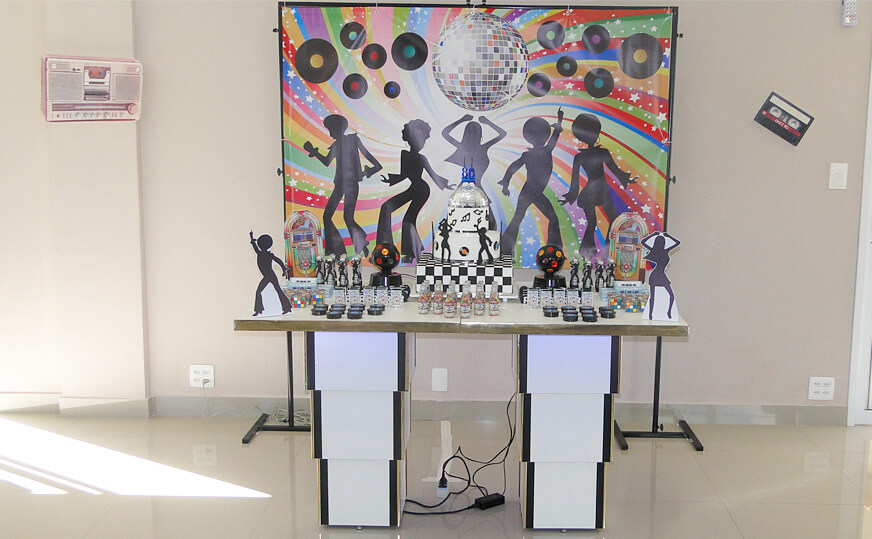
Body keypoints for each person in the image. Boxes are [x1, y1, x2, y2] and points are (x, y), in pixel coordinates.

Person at [303, 115, 381, 257]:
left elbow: (376, 164)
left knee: (344, 217)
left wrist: (365, 172)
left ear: (337, 128)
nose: (330, 133)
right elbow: (327, 161)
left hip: (348, 185)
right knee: (331, 216)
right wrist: (314, 151)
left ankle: (352, 246)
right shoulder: (340, 144)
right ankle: (338, 249)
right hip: (342, 185)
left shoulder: (352, 140)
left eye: (331, 129)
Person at [561, 113, 636, 258]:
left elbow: (575, 183)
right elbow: (616, 171)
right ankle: (602, 249)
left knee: (595, 221)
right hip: (599, 191)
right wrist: (625, 179)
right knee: (607, 219)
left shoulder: (581, 156)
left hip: (594, 192)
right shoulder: (600, 153)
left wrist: (571, 195)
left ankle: (596, 250)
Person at [376, 120, 452, 262]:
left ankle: (411, 254)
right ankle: (384, 248)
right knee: (386, 207)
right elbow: (404, 175)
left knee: (408, 220)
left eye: (421, 140)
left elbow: (433, 174)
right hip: (414, 188)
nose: (420, 143)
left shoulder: (421, 158)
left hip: (422, 190)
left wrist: (445, 184)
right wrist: (390, 180)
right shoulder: (405, 154)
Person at [498, 108, 564, 256]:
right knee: (552, 218)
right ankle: (554, 251)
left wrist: (506, 182)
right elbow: (555, 135)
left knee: (518, 218)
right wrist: (559, 120)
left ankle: (506, 249)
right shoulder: (545, 151)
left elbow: (513, 167)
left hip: (529, 191)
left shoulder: (530, 154)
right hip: (532, 192)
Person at [249, 231, 291, 316]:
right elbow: (279, 261)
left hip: (270, 276)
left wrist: (283, 269)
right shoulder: (261, 254)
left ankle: (287, 308)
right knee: (271, 291)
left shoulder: (263, 254)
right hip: (268, 276)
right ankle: (259, 310)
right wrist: (251, 237)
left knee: (265, 291)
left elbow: (278, 261)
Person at [641, 231, 680, 320]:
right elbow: (643, 242)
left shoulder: (663, 251)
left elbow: (677, 243)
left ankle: (668, 312)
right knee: (653, 297)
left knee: (671, 296)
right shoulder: (659, 251)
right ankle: (650, 315)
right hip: (656, 275)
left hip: (660, 275)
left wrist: (656, 235)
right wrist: (666, 236)